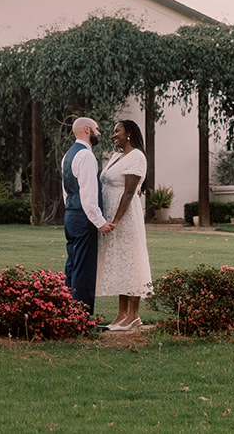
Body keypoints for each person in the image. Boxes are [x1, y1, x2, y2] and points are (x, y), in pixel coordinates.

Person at [97, 119, 153, 331]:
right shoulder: (116, 156)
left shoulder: (137, 156)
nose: (113, 135)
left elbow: (129, 191)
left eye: (117, 131)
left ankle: (134, 315)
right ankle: (121, 314)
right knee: (120, 262)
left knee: (131, 260)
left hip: (126, 218)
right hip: (111, 217)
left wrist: (117, 220)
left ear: (128, 133)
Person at [61, 116, 112, 314]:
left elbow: (66, 191)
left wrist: (71, 211)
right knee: (85, 268)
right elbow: (88, 194)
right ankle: (82, 316)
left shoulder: (68, 155)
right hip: (83, 218)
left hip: (70, 216)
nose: (99, 133)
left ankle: (67, 312)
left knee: (72, 265)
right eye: (97, 129)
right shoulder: (87, 156)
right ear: (87, 129)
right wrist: (100, 222)